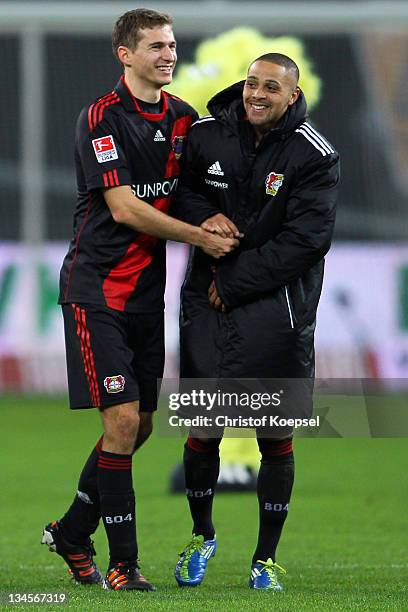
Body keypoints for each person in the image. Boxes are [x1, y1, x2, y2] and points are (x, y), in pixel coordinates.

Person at [41, 8, 238, 593]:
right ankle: (125, 565)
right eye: (155, 46)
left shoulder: (183, 118)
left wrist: (213, 214)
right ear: (125, 55)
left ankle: (74, 530)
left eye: (172, 45)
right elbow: (125, 208)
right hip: (95, 289)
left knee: (141, 426)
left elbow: (191, 193)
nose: (168, 55)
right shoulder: (101, 118)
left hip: (145, 298)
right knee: (123, 419)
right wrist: (202, 237)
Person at [173, 53, 340, 591]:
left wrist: (236, 281)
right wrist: (203, 215)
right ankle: (202, 536)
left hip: (277, 307)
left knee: (275, 436)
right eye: (251, 83)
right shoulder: (205, 134)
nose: (257, 93)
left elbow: (307, 240)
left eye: (271, 86)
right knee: (204, 427)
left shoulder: (315, 155)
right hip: (207, 302)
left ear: (292, 96)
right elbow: (178, 189)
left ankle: (264, 559)